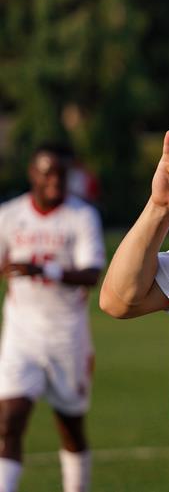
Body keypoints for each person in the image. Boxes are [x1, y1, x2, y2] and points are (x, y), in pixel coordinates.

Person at [0, 144, 105, 492]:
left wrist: (41, 268)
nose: (54, 181)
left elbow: (91, 273)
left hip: (66, 335)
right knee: (9, 421)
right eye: (46, 173)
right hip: (21, 334)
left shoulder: (81, 215)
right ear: (32, 174)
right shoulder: (10, 214)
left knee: (70, 425)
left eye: (59, 174)